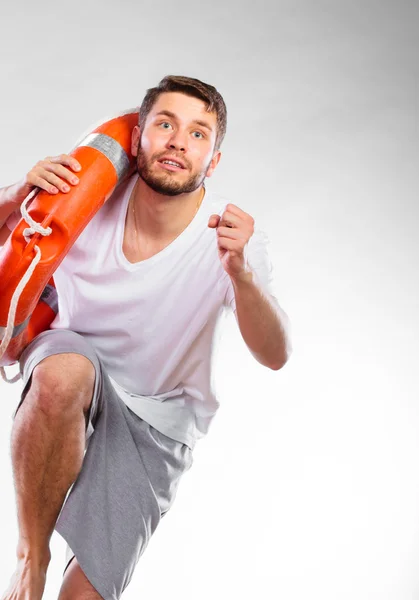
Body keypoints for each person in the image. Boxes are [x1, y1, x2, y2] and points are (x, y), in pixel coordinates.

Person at [0, 75, 292, 600]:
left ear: (213, 161)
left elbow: (275, 355)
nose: (179, 140)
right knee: (66, 370)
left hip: (159, 422)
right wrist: (21, 194)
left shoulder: (230, 239)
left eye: (199, 133)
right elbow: (13, 238)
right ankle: (32, 557)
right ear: (138, 139)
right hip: (73, 364)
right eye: (165, 124)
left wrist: (241, 276)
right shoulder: (85, 200)